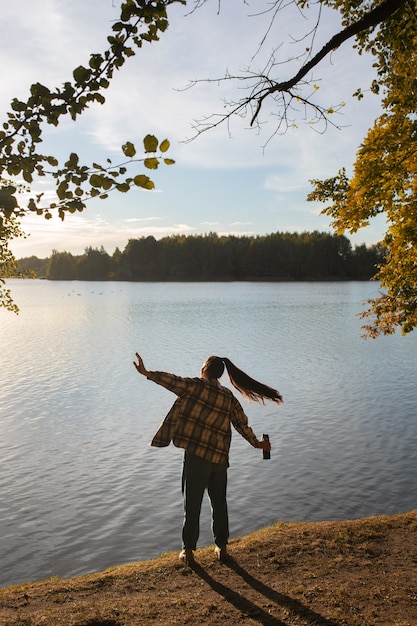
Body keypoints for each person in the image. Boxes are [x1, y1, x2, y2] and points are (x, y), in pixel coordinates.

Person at [133, 353, 283, 565]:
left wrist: (147, 373)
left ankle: (188, 551)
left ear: (204, 369)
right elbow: (241, 425)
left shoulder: (196, 386)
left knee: (192, 505)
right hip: (220, 459)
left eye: (201, 365)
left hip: (197, 457)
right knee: (219, 503)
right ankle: (221, 548)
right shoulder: (228, 396)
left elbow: (172, 381)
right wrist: (257, 444)